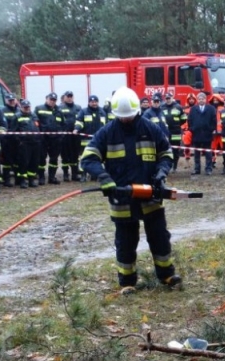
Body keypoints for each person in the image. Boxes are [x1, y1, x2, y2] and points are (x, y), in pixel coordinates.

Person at [80, 86, 181, 291]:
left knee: (160, 237)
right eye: (122, 117)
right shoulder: (107, 132)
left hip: (149, 195)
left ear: (137, 111)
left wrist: (161, 173)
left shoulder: (150, 128)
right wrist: (104, 178)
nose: (126, 120)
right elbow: (88, 158)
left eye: (130, 116)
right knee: (126, 242)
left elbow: (166, 153)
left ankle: (166, 275)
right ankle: (127, 282)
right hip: (122, 198)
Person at [74, 95, 106, 182]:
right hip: (85, 140)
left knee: (98, 157)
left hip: (98, 140)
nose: (94, 103)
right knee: (84, 157)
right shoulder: (83, 111)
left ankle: (95, 175)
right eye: (92, 102)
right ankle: (83, 175)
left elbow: (105, 125)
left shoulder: (102, 112)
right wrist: (77, 129)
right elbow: (79, 121)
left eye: (95, 102)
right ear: (89, 102)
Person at [35, 92, 64, 185]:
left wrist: (61, 136)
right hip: (43, 139)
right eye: (51, 99)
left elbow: (63, 124)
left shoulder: (59, 111)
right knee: (41, 158)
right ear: (46, 99)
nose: (52, 101)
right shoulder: (39, 109)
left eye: (54, 100)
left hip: (55, 140)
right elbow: (35, 122)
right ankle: (41, 177)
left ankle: (52, 177)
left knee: (54, 159)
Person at [187, 92, 217, 175]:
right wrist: (192, 129)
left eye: (202, 99)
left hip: (207, 134)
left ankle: (208, 169)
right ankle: (197, 169)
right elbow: (189, 120)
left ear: (205, 99)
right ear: (197, 100)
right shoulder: (193, 109)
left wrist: (211, 129)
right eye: (199, 99)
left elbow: (214, 120)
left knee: (208, 153)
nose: (201, 100)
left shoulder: (211, 108)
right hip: (196, 135)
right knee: (196, 153)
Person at [16, 99, 41, 188]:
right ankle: (22, 180)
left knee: (34, 162)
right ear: (21, 107)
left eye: (28, 107)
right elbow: (13, 131)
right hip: (24, 143)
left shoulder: (34, 116)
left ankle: (31, 179)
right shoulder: (17, 116)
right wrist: (19, 141)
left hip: (35, 143)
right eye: (25, 107)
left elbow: (39, 128)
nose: (27, 109)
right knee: (24, 162)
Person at [59, 91, 82, 182]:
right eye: (68, 96)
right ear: (64, 97)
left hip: (75, 136)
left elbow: (81, 120)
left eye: (71, 96)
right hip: (65, 136)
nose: (69, 98)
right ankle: (65, 174)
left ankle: (75, 174)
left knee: (75, 155)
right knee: (65, 155)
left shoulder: (78, 108)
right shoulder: (60, 108)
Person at [162, 92, 187, 172]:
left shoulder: (178, 107)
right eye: (167, 98)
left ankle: (174, 166)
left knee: (175, 150)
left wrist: (177, 124)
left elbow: (183, 118)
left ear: (172, 98)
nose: (168, 100)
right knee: (165, 149)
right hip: (165, 132)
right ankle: (167, 165)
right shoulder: (162, 107)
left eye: (169, 98)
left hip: (175, 131)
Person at [1, 93, 21, 187]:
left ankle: (18, 179)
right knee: (7, 161)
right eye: (10, 101)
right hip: (7, 140)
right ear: (6, 101)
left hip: (17, 140)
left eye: (13, 100)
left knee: (17, 160)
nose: (12, 102)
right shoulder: (2, 111)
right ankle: (6, 179)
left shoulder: (19, 110)